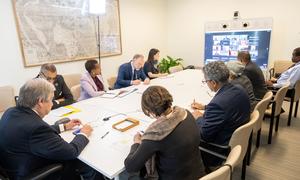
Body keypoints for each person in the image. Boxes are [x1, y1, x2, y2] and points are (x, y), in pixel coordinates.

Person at [0, 78, 103, 180]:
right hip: (34, 171)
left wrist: (64, 126)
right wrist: (84, 134)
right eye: (50, 99)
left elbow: (32, 131)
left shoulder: (11, 112)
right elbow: (71, 151)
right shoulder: (36, 128)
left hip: (14, 166)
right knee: (89, 164)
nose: (52, 103)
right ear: (40, 101)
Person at [123, 86, 205, 180]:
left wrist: (136, 143)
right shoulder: (186, 113)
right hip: (199, 173)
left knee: (130, 176)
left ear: (151, 112)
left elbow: (131, 166)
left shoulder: (155, 135)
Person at [191, 61, 250, 168]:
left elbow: (205, 135)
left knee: (183, 137)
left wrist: (198, 117)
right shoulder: (239, 89)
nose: (206, 83)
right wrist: (205, 107)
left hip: (218, 149)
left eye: (206, 81)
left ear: (213, 82)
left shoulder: (218, 104)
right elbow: (227, 108)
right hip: (238, 141)